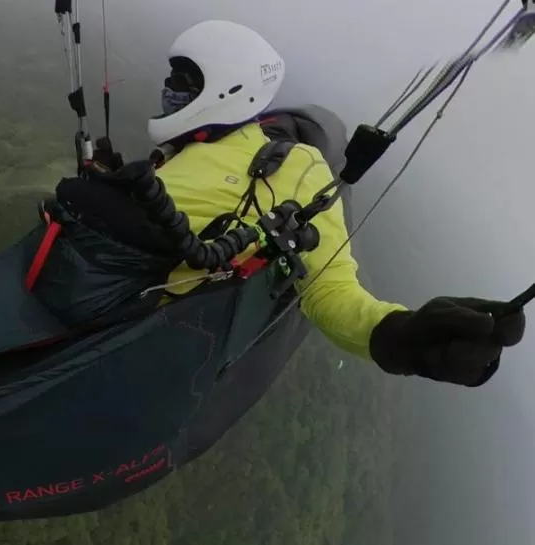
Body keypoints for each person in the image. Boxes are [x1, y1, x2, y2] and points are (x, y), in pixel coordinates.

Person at [128, 19, 524, 387]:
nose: (170, 89)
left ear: (228, 88)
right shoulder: (169, 156)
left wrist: (401, 335)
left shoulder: (291, 167)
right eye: (172, 77)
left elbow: (329, 289)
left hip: (120, 329)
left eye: (183, 80)